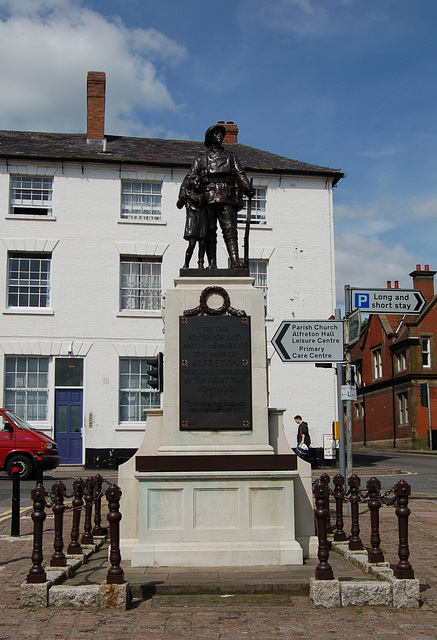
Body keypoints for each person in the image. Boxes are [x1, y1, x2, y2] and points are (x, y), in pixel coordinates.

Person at [186, 124, 255, 269]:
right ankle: (212, 263)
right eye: (216, 134)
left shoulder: (231, 157)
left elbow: (239, 174)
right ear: (210, 138)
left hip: (226, 196)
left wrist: (247, 188)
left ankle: (235, 261)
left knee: (230, 229)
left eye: (221, 134)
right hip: (208, 198)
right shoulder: (201, 159)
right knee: (209, 231)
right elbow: (190, 177)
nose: (219, 136)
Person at [177, 174, 207, 268]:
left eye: (199, 182)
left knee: (202, 243)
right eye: (196, 181)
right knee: (192, 244)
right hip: (192, 219)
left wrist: (187, 195)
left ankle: (201, 263)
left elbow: (198, 200)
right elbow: (179, 205)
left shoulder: (202, 195)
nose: (198, 184)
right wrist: (182, 198)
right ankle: (186, 264)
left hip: (201, 219)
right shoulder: (187, 193)